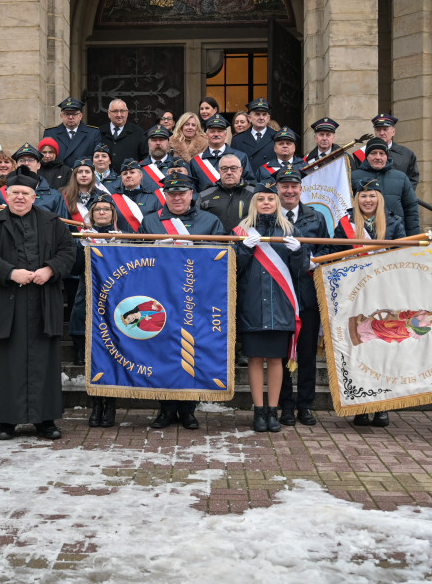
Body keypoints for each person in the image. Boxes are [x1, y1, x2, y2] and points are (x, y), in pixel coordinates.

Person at [0, 165, 78, 440]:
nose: (20, 197)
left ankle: (45, 420)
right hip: (4, 305)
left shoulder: (53, 222)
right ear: (6, 195)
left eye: (26, 193)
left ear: (34, 197)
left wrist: (50, 269)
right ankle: (6, 421)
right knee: (4, 363)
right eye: (15, 192)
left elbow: (69, 251)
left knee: (43, 363)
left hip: (42, 304)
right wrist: (10, 272)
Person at [139, 172, 226, 430]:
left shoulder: (210, 221)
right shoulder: (151, 222)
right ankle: (165, 409)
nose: (177, 197)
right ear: (165, 195)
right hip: (160, 296)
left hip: (196, 295)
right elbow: (137, 257)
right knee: (162, 352)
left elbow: (222, 257)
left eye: (182, 193)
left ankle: (189, 409)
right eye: (172, 193)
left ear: (192, 195)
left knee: (193, 351)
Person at [233, 181, 307, 433]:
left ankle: (272, 410)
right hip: (252, 304)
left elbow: (299, 271)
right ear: (254, 204)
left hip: (280, 305)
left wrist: (298, 252)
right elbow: (233, 269)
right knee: (255, 359)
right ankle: (258, 410)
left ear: (277, 203)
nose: (266, 203)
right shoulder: (241, 231)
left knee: (276, 360)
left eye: (270, 199)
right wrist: (243, 249)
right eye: (261, 199)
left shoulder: (288, 229)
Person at [331, 178, 406, 428]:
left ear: (379, 198)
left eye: (372, 195)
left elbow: (403, 256)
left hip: (386, 294)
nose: (367, 200)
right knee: (359, 348)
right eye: (363, 196)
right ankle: (361, 405)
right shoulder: (346, 224)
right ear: (356, 199)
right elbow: (334, 259)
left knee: (384, 349)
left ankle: (383, 406)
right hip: (355, 295)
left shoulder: (394, 222)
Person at [273, 168, 327, 427]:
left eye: (293, 186)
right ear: (277, 189)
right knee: (281, 356)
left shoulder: (315, 217)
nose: (289, 191)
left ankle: (305, 405)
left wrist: (313, 261)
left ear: (300, 189)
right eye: (284, 186)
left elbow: (327, 249)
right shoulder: (268, 217)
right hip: (278, 296)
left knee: (306, 355)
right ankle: (285, 405)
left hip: (306, 296)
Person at [71, 192, 123, 428]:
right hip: (89, 300)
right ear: (91, 214)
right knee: (93, 359)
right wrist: (82, 243)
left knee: (112, 356)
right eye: (98, 209)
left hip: (115, 303)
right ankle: (96, 405)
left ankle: (110, 404)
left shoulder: (123, 237)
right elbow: (72, 268)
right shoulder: (81, 236)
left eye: (106, 209)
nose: (102, 212)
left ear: (113, 214)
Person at [352, 137, 420, 236]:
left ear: (386, 156)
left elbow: (411, 210)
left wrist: (413, 238)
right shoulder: (353, 177)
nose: (378, 157)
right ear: (367, 156)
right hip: (362, 237)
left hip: (395, 235)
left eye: (382, 153)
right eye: (373, 153)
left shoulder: (401, 178)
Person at [0, 144, 70, 218]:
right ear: (16, 165)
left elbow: (62, 226)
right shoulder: (2, 194)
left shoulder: (54, 196)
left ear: (38, 165)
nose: (26, 163)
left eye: (31, 160)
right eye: (22, 160)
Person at [191, 113, 250, 191]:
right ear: (206, 135)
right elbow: (193, 190)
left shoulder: (240, 157)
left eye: (220, 131)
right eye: (212, 131)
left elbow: (249, 184)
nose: (216, 134)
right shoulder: (196, 162)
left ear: (225, 134)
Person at [198, 154, 255, 232]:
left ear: (241, 171)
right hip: (215, 242)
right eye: (224, 169)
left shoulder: (254, 193)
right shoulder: (205, 194)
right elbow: (198, 221)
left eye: (233, 168)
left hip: (245, 242)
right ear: (219, 171)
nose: (229, 172)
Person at [42, 97, 102, 169]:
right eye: (67, 114)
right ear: (61, 116)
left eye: (74, 114)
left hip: (82, 175)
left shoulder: (93, 133)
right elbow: (45, 157)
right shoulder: (50, 133)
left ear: (80, 116)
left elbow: (98, 158)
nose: (70, 117)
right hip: (58, 176)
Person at [367, 113, 419, 187]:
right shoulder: (365, 153)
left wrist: (404, 195)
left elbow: (413, 179)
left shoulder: (406, 154)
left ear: (393, 132)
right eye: (378, 130)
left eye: (385, 129)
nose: (381, 133)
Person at [109, 159, 162, 231]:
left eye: (132, 172)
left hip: (148, 240)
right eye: (125, 174)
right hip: (122, 240)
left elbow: (159, 224)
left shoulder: (153, 199)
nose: (128, 176)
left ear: (140, 175)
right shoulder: (113, 199)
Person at [231, 98, 277, 173]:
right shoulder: (237, 140)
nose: (261, 118)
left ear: (268, 118)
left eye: (264, 114)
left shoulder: (277, 137)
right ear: (249, 118)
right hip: (247, 183)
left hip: (270, 182)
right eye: (257, 114)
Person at [100, 98, 147, 172]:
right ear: (109, 113)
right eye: (115, 111)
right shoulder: (99, 131)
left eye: (122, 111)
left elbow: (145, 158)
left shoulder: (138, 132)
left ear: (127, 112)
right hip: (104, 179)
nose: (119, 115)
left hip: (129, 179)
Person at [61, 159, 100, 223]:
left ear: (93, 175)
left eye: (87, 172)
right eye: (80, 172)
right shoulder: (63, 194)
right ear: (74, 175)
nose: (84, 175)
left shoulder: (101, 195)